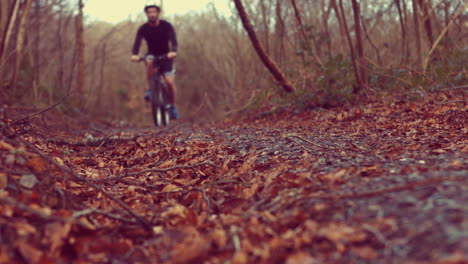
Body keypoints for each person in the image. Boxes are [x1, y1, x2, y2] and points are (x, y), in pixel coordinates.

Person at [131, 4, 179, 119]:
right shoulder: (143, 28)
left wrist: (173, 51)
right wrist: (135, 54)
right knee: (149, 61)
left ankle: (172, 106)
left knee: (169, 82)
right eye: (149, 12)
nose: (151, 14)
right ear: (146, 14)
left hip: (166, 56)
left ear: (158, 13)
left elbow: (174, 40)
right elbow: (137, 43)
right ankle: (150, 90)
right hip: (152, 54)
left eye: (154, 12)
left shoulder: (166, 26)